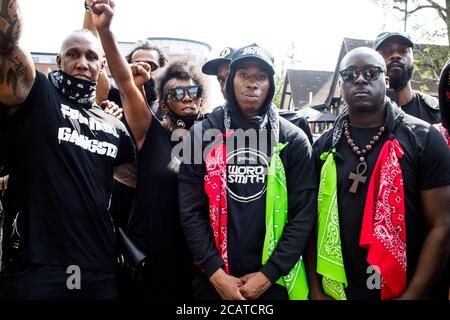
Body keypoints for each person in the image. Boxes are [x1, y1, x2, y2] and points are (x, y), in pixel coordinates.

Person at [0, 0, 137, 299]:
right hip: (36, 265)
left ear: (102, 66)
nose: (82, 63)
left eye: (91, 57)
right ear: (59, 61)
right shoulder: (39, 97)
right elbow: (6, 43)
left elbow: (138, 186)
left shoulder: (115, 126)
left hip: (99, 266)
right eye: (73, 55)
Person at [307, 47, 450, 300]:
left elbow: (442, 226)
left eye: (371, 72)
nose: (360, 79)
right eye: (350, 74)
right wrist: (317, 292)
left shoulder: (425, 138)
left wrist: (412, 295)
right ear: (341, 85)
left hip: (403, 289)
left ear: (386, 81)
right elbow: (310, 223)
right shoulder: (324, 146)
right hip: (338, 290)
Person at [178, 44, 316, 300]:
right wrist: (215, 274)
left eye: (260, 77)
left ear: (271, 85)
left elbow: (303, 213)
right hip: (214, 281)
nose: (252, 83)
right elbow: (191, 210)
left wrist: (268, 275)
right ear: (231, 80)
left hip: (275, 281)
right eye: (244, 75)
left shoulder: (293, 139)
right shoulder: (201, 134)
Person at [93, 0, 206, 299]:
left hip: (194, 260)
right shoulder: (149, 131)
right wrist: (105, 29)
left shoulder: (211, 138)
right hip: (147, 256)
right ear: (164, 100)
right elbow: (126, 82)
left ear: (201, 97)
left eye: (192, 91)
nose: (186, 97)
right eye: (176, 92)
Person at [202, 46, 313, 144]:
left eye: (229, 76)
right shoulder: (208, 126)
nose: (225, 86)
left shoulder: (294, 127)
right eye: (221, 80)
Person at [373, 31, 440, 124]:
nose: (395, 55)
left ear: (414, 62)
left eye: (403, 51)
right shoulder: (357, 116)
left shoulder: (439, 111)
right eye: (385, 51)